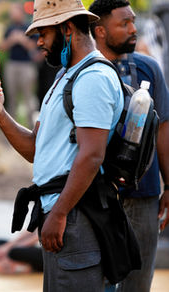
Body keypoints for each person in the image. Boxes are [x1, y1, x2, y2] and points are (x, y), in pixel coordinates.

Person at [0, 0, 125, 290]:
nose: (39, 43)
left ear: (67, 28)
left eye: (43, 34)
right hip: (65, 214)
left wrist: (59, 213)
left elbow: (91, 155)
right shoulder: (67, 76)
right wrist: (0, 113)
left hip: (75, 217)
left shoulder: (92, 79)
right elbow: (37, 149)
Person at [88, 1, 169, 292]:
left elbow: (163, 130)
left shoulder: (149, 69)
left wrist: (168, 186)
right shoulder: (79, 74)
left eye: (133, 22)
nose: (133, 29)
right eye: (124, 24)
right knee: (95, 281)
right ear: (99, 31)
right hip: (93, 199)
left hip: (143, 197)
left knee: (137, 284)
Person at [0, 2, 38, 128]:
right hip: (11, 64)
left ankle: (32, 126)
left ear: (20, 13)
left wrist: (22, 40)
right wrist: (11, 40)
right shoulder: (9, 28)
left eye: (14, 11)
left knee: (29, 97)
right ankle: (11, 127)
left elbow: (34, 46)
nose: (12, 14)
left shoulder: (29, 27)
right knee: (11, 96)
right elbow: (2, 47)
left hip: (27, 65)